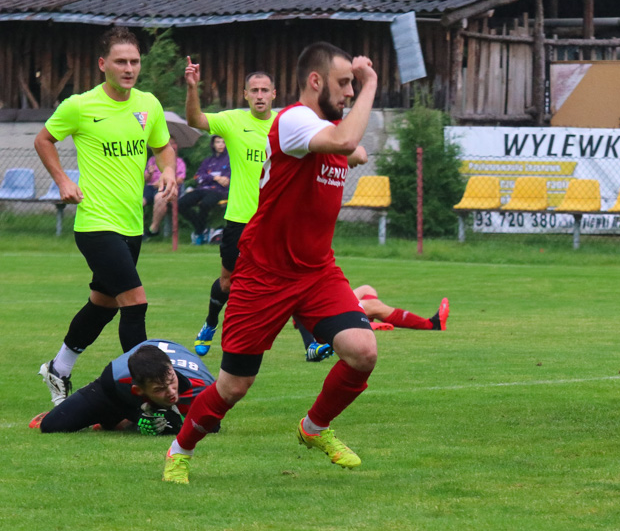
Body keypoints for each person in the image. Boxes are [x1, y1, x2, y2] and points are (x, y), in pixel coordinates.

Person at [162, 41, 375, 484]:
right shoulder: (296, 119)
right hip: (264, 274)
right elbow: (350, 142)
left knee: (362, 352)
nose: (351, 92)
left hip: (316, 271)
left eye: (354, 84)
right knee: (232, 387)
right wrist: (371, 81)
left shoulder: (323, 131)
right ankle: (179, 451)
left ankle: (314, 429)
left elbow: (355, 151)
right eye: (344, 83)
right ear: (315, 82)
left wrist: (346, 142)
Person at [34, 26, 177, 408]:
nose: (129, 68)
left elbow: (163, 146)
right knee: (135, 303)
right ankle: (148, 396)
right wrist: (62, 179)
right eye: (121, 61)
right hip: (96, 224)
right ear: (103, 65)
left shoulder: (149, 105)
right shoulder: (80, 106)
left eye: (134, 62)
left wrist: (168, 170)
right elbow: (43, 139)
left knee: (104, 304)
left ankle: (58, 368)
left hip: (131, 225)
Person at [183, 61, 277, 355]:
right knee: (227, 282)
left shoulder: (285, 124)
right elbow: (194, 119)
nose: (260, 95)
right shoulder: (233, 120)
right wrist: (192, 87)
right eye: (254, 90)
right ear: (245, 95)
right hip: (239, 218)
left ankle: (312, 341)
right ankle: (211, 323)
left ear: (274, 94)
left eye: (265, 90)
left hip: (274, 221)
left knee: (286, 282)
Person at [31, 340, 215, 435]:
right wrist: (137, 417)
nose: (171, 392)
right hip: (116, 391)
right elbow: (112, 397)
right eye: (159, 389)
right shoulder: (117, 377)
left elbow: (213, 425)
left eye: (172, 382)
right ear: (138, 390)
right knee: (52, 425)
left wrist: (176, 425)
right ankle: (111, 420)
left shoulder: (202, 387)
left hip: (158, 357)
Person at [300, 285, 450, 362]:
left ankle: (365, 321)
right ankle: (431, 324)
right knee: (373, 305)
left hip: (325, 301)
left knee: (367, 289)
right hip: (323, 309)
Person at [177, 135, 230, 244]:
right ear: (213, 144)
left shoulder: (230, 160)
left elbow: (226, 181)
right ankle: (201, 229)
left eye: (223, 142)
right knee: (181, 204)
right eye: (218, 142)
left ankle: (200, 233)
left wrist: (209, 177)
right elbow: (198, 177)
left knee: (205, 204)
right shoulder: (208, 161)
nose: (220, 145)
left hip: (219, 191)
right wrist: (215, 177)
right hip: (202, 189)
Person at [143, 136, 187, 238]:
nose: (172, 145)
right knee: (138, 201)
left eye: (173, 143)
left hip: (168, 188)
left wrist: (163, 182)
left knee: (159, 197)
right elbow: (146, 179)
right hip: (151, 187)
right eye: (169, 143)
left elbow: (180, 179)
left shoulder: (179, 162)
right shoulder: (152, 160)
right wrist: (149, 173)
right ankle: (139, 231)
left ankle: (153, 229)